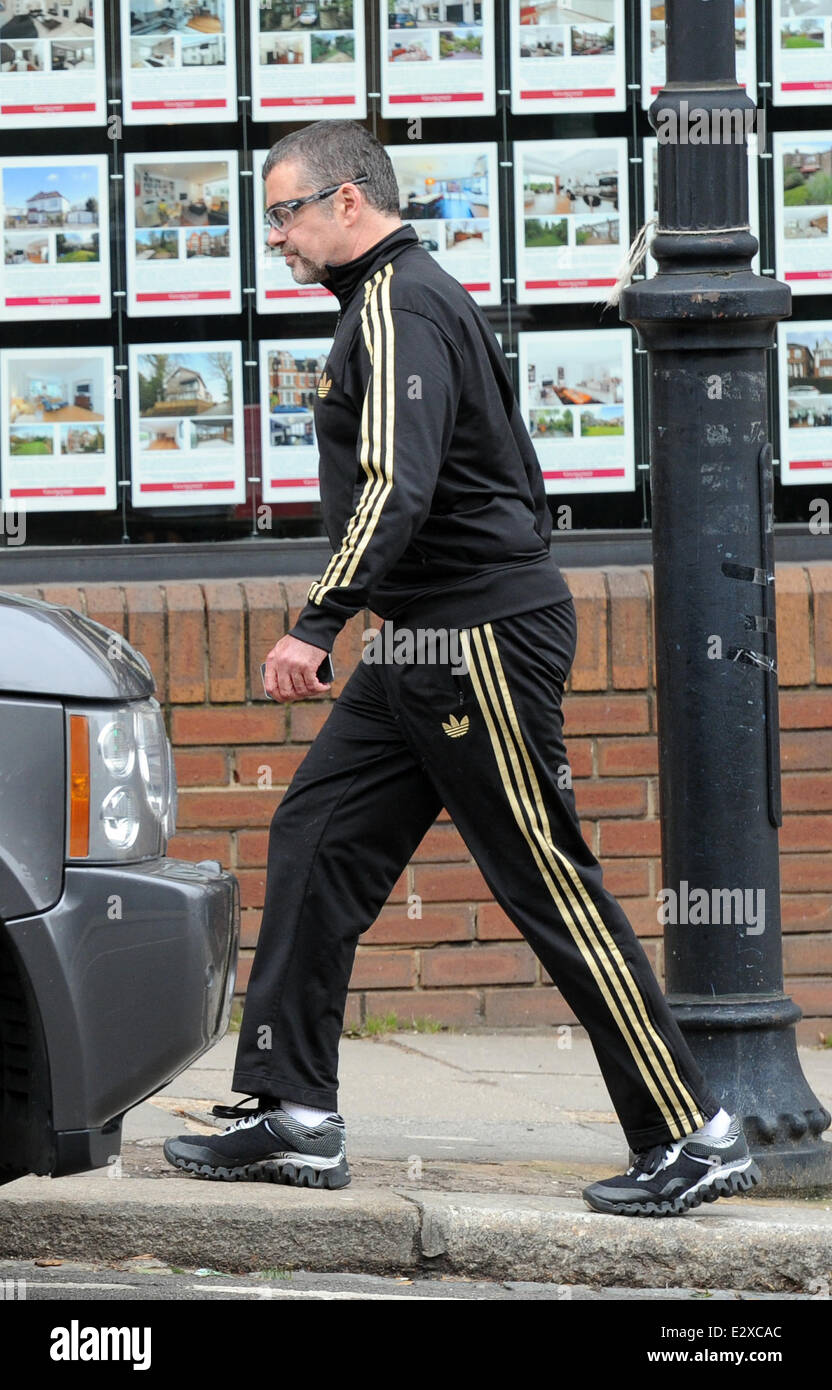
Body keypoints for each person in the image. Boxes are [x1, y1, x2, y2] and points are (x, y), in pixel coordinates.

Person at [164, 119, 760, 1217]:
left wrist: (315, 620)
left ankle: (692, 1127)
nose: (277, 238)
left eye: (286, 212)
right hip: (427, 643)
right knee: (317, 833)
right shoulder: (399, 302)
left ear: (348, 203)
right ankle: (292, 1109)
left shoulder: (397, 305)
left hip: (476, 637)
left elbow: (398, 482)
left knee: (546, 885)